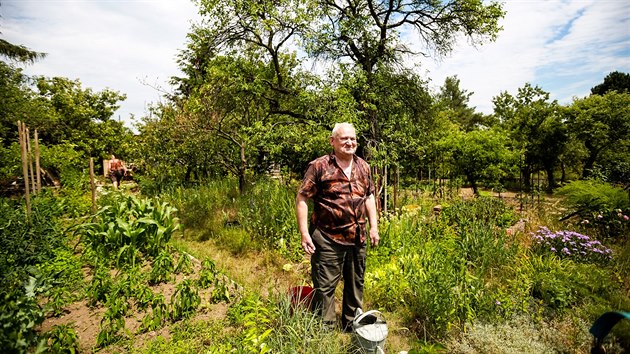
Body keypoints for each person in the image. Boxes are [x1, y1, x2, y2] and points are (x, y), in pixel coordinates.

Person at [296, 122, 379, 332]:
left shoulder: (363, 166)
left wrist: (373, 227)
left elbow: (369, 196)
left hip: (357, 237)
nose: (350, 143)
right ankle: (326, 331)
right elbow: (302, 197)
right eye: (344, 139)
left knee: (355, 284)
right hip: (327, 237)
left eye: (353, 139)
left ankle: (352, 326)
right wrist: (305, 233)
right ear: (333, 142)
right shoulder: (319, 166)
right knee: (325, 287)